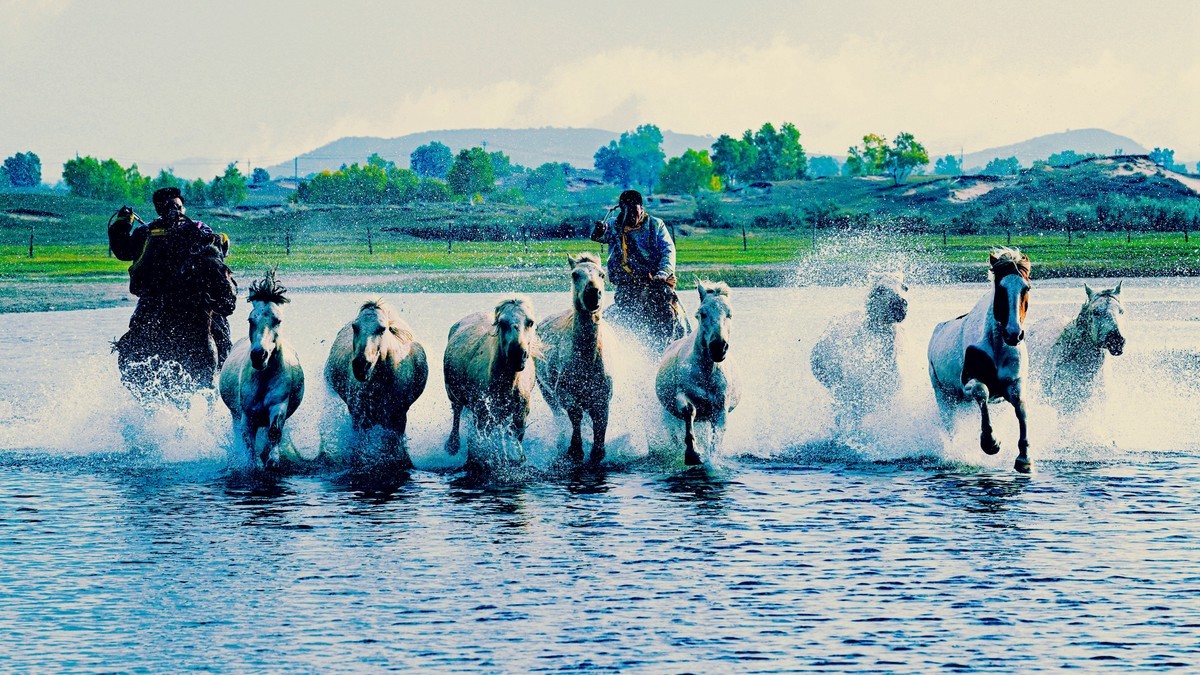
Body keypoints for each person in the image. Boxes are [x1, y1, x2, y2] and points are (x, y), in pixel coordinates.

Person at [108, 187, 234, 369]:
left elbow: (123, 251)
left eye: (177, 206)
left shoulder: (193, 229)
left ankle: (225, 369)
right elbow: (123, 251)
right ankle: (224, 368)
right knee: (220, 334)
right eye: (172, 206)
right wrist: (122, 225)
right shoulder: (148, 232)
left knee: (219, 330)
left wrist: (122, 224)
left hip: (178, 299)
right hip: (164, 299)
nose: (175, 210)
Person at [590, 189, 690, 351]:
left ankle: (680, 347)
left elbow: (668, 251)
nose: (632, 217)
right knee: (616, 320)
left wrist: (662, 274)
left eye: (635, 212)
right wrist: (598, 231)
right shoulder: (615, 226)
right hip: (626, 286)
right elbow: (598, 237)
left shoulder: (655, 225)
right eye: (628, 213)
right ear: (622, 211)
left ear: (641, 209)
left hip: (655, 283)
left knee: (673, 313)